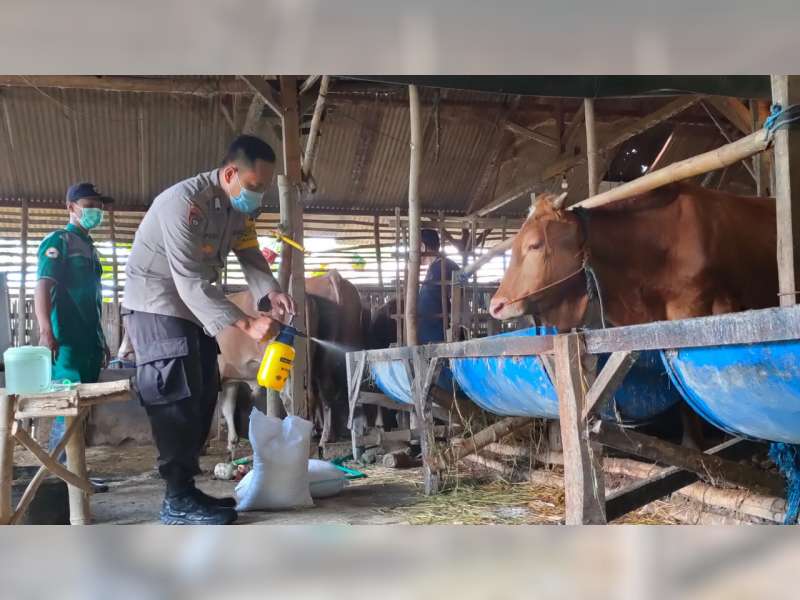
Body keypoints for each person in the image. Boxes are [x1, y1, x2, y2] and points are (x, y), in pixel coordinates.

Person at [123, 135, 293, 525]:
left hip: (191, 308)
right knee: (176, 394)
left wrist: (270, 293)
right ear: (230, 173)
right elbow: (190, 282)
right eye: (253, 187)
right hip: (157, 304)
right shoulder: (184, 204)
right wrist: (248, 322)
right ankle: (175, 498)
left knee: (203, 389)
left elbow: (249, 251)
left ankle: (187, 490)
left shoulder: (236, 206)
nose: (257, 196)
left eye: (263, 190)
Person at [35, 182, 112, 492]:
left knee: (82, 412)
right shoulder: (59, 241)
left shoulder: (90, 248)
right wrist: (45, 332)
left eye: (99, 205)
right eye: (89, 204)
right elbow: (43, 286)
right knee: (66, 409)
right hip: (65, 343)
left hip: (89, 343)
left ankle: (77, 473)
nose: (97, 210)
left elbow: (92, 300)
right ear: (71, 207)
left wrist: (102, 340)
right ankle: (60, 480)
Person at [416, 229, 460, 344]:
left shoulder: (445, 266)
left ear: (422, 246)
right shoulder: (436, 267)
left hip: (441, 337)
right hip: (432, 335)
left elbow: (460, 296)